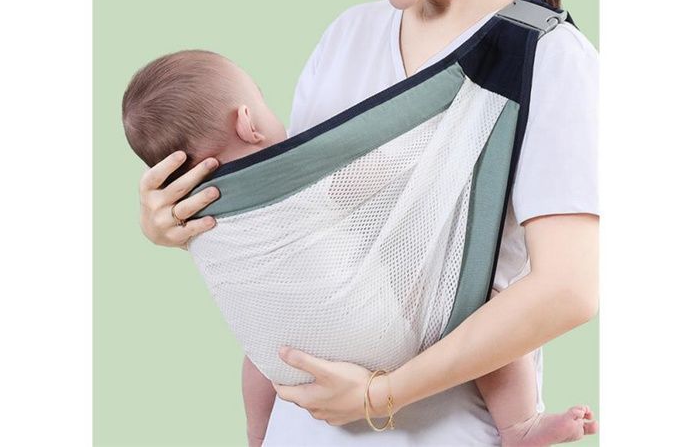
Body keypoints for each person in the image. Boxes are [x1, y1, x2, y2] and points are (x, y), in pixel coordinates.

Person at [136, 0, 599, 447]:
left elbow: (569, 289)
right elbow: (298, 235)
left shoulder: (549, 61)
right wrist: (181, 220)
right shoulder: (344, 40)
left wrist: (379, 395)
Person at [123, 48, 597, 447]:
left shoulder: (195, 218)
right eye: (261, 100)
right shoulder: (302, 174)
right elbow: (384, 174)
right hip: (378, 335)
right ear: (247, 123)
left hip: (286, 361)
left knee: (259, 353)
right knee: (486, 306)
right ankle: (520, 426)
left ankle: (258, 433)